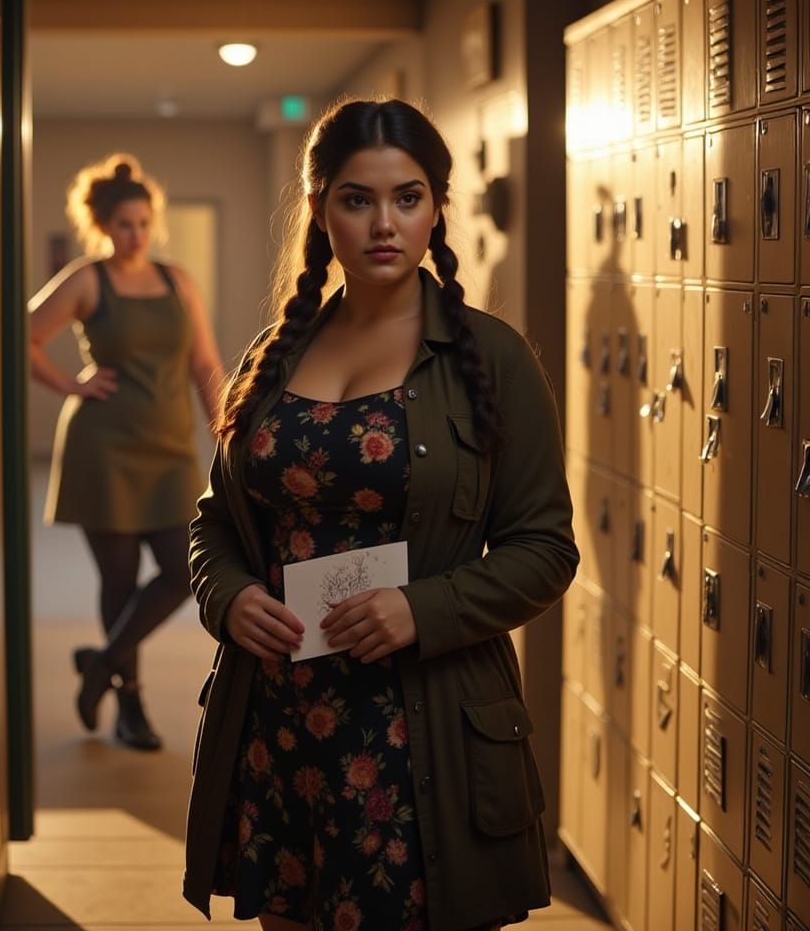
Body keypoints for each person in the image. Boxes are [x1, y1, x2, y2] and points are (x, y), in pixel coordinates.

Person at [184, 99, 579, 930]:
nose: (384, 223)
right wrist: (228, 595)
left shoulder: (491, 358)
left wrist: (418, 607)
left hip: (416, 735)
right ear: (322, 212)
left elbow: (545, 548)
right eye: (357, 200)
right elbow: (219, 519)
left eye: (409, 197)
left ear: (437, 208)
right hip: (279, 723)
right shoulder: (273, 354)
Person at [29, 153, 223, 749]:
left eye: (143, 222)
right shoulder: (89, 278)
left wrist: (226, 432)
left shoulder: (176, 280)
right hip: (103, 446)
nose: (135, 234)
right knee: (118, 580)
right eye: (124, 225)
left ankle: (100, 663)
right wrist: (71, 384)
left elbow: (205, 363)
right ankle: (129, 708)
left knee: (182, 569)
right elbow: (23, 333)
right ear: (104, 227)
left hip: (168, 450)